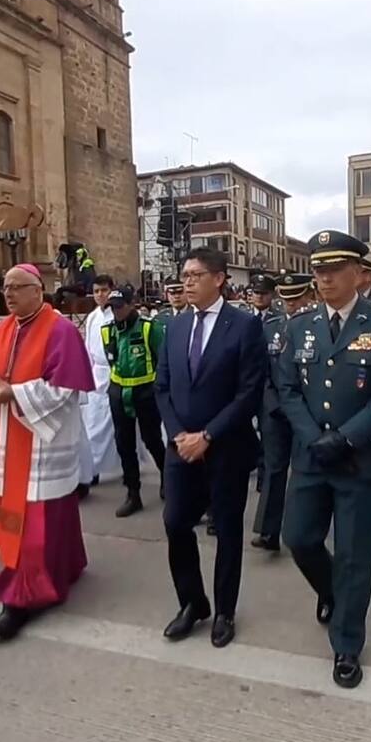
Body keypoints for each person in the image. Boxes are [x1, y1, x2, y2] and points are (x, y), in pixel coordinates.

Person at [279, 230, 371, 689]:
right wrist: (314, 437)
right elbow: (288, 389)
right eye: (318, 269)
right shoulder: (300, 326)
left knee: (355, 555)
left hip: (361, 459)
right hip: (312, 457)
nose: (324, 278)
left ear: (359, 273)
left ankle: (347, 644)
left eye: (334, 269)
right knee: (299, 538)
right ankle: (331, 590)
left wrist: (347, 438)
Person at [0, 264, 95, 641]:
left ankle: (23, 597)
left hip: (42, 441)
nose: (8, 294)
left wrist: (14, 394)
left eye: (17, 287)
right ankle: (65, 564)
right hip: (8, 437)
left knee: (39, 521)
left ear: (39, 290)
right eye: (4, 287)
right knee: (34, 516)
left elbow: (65, 387)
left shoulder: (60, 329)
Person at [154, 247, 266, 649]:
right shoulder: (175, 326)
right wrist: (179, 434)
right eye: (184, 275)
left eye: (195, 275)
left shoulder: (244, 326)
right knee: (175, 522)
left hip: (226, 446)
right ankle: (192, 602)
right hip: (181, 448)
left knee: (228, 531)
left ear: (219, 278)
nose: (186, 282)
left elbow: (249, 392)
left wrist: (209, 436)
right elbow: (162, 386)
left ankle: (224, 610)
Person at [253, 272, 315, 551]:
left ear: (308, 296)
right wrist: (272, 404)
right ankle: (268, 530)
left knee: (306, 471)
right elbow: (261, 373)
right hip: (275, 410)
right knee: (274, 469)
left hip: (308, 412)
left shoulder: (318, 325)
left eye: (296, 299)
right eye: (286, 299)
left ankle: (304, 529)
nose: (291, 304)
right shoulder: (271, 327)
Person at [101, 290, 167, 517]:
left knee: (152, 440)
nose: (116, 312)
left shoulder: (150, 328)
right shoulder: (107, 330)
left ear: (132, 305)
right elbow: (111, 360)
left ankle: (167, 478)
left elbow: (163, 361)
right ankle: (133, 493)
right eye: (113, 308)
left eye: (120, 306)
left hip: (145, 392)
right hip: (119, 392)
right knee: (124, 444)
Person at [81, 274, 121, 482]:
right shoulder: (93, 317)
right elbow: (88, 348)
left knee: (116, 424)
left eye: (104, 290)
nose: (100, 295)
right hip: (97, 373)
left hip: (116, 372)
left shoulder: (117, 315)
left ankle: (106, 465)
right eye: (96, 291)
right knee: (94, 423)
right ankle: (93, 468)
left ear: (111, 290)